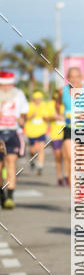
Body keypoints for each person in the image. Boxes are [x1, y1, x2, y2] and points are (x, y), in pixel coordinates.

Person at [0, 70, 28, 208]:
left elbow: (24, 112)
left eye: (9, 85)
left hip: (13, 133)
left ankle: (10, 197)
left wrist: (22, 119)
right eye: (3, 85)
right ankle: (2, 195)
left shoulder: (18, 94)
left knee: (11, 163)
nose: (6, 88)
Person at [24, 90, 51, 175]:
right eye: (36, 99)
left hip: (41, 130)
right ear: (34, 99)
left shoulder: (44, 106)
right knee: (32, 150)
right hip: (31, 131)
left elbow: (47, 117)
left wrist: (45, 118)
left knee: (41, 148)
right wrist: (32, 115)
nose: (38, 100)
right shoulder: (29, 106)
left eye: (39, 99)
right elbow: (25, 118)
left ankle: (40, 166)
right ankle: (32, 160)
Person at [49, 94, 66, 185]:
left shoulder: (66, 106)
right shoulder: (51, 105)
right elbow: (45, 117)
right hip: (55, 135)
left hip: (66, 134)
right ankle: (60, 177)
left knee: (66, 156)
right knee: (58, 157)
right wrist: (54, 117)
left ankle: (67, 176)